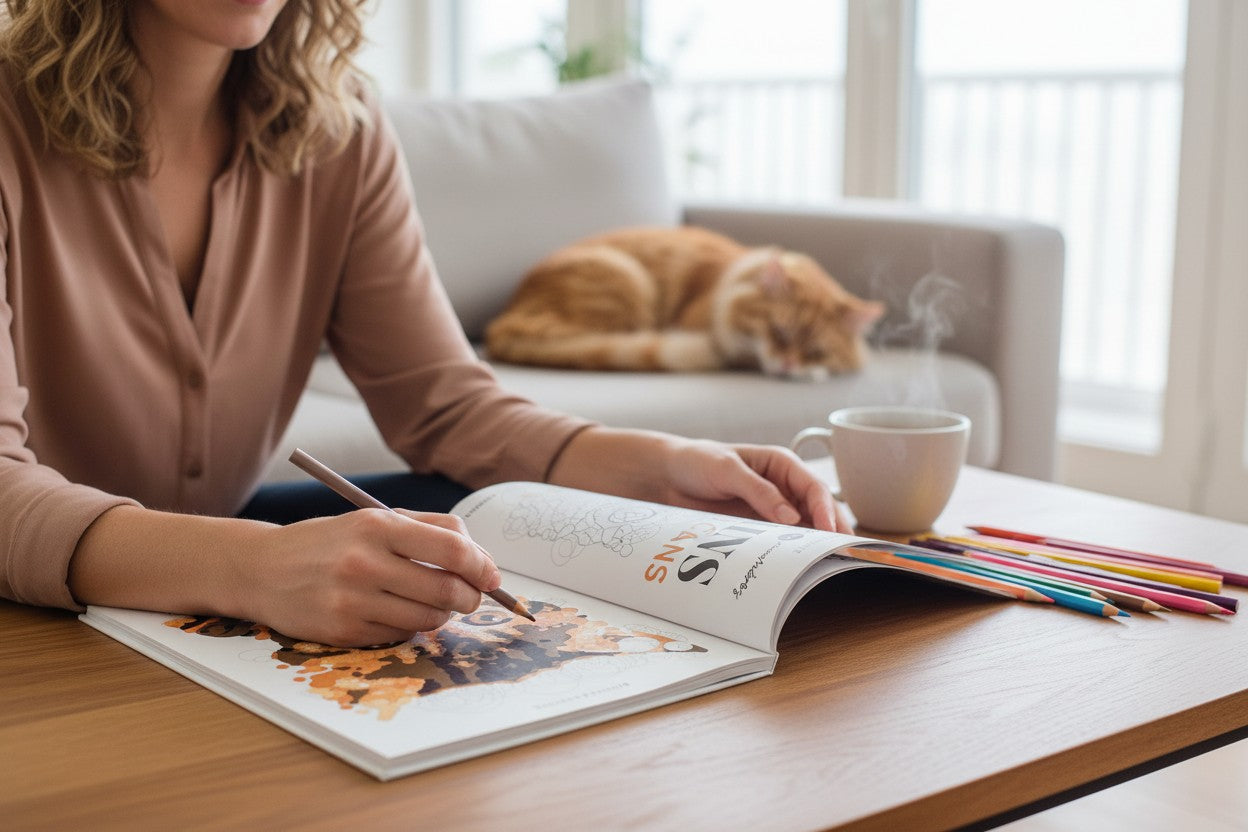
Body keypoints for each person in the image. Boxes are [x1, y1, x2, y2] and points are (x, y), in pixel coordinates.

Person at [0, 0, 848, 647]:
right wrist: (255, 569)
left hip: (226, 563)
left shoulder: (340, 130)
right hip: (36, 600)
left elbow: (444, 410)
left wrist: (662, 467)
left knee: (486, 518)